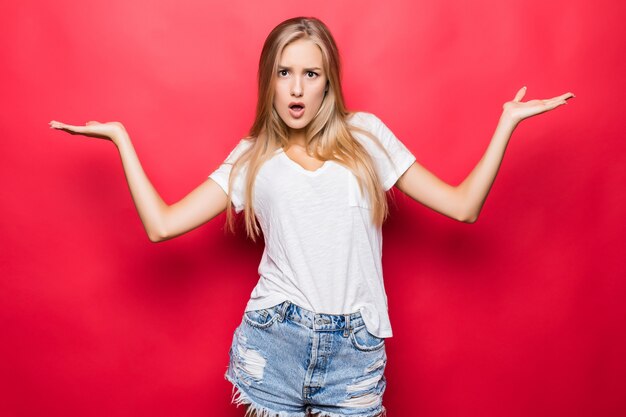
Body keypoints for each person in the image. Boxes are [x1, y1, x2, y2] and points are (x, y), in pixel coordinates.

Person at [49, 16, 574, 417]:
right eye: (284, 73)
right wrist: (120, 139)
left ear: (328, 82)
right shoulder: (252, 156)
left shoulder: (367, 136)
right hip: (274, 340)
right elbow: (162, 225)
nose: (297, 88)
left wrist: (506, 124)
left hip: (355, 350)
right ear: (269, 80)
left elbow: (463, 207)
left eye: (310, 73)